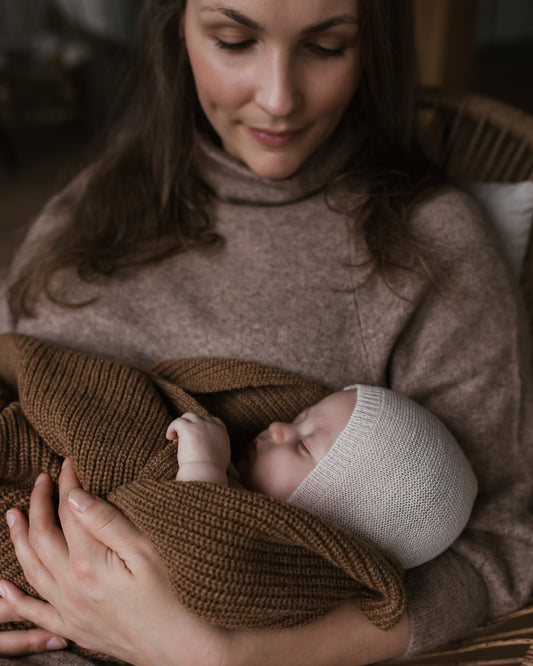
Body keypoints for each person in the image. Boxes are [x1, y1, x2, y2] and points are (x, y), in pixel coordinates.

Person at [0, 0, 531, 664]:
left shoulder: (428, 247)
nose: (278, 98)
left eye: (327, 47)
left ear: (372, 49)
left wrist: (224, 653)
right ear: (178, 37)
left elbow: (501, 543)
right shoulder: (90, 205)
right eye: (233, 40)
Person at [170, 384, 478, 570]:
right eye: (298, 419)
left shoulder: (274, 565)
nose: (277, 427)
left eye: (303, 445)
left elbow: (196, 554)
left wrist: (202, 465)